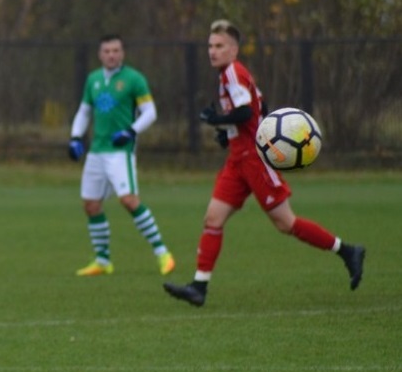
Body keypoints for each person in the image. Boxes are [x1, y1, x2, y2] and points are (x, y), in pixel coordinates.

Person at [163, 20, 365, 307]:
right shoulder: (231, 74)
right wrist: (229, 133)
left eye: (219, 46)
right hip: (238, 159)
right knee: (213, 219)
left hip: (255, 160)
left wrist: (218, 120)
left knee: (285, 223)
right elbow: (261, 107)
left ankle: (347, 251)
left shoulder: (233, 72)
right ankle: (199, 287)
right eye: (210, 46)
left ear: (234, 50)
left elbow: (246, 112)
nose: (212, 51)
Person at [68, 34, 175, 277]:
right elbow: (84, 112)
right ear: (100, 54)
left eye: (116, 50)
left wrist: (131, 131)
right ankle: (103, 261)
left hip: (120, 151)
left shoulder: (134, 79)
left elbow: (150, 112)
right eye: (107, 51)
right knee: (91, 204)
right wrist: (75, 137)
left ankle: (163, 253)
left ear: (122, 53)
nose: (111, 55)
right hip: (97, 150)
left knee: (128, 200)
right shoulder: (93, 79)